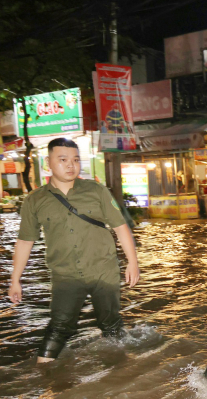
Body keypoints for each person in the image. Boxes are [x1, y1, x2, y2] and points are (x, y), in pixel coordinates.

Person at [8, 138, 140, 363]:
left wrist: (132, 261)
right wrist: (15, 279)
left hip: (103, 271)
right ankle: (44, 377)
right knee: (59, 326)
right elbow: (25, 241)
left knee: (111, 324)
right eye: (63, 160)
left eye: (76, 160)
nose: (71, 165)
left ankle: (126, 374)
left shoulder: (96, 190)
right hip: (65, 275)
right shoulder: (35, 200)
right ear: (48, 162)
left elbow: (120, 226)